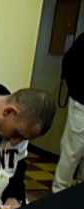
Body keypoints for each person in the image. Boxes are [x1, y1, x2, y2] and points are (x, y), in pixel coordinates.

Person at [52, 32, 84, 193]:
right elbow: (69, 63)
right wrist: (76, 88)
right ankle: (59, 191)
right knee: (72, 152)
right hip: (82, 102)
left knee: (73, 151)